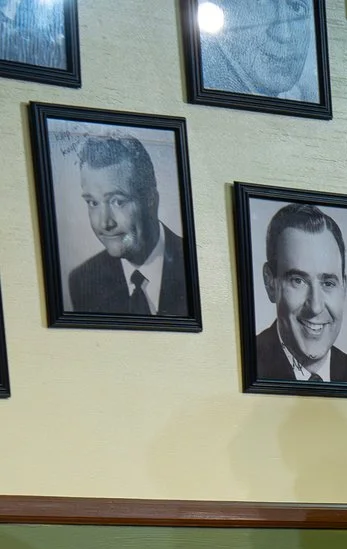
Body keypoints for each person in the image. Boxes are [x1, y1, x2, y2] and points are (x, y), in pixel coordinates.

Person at [63, 134, 190, 319]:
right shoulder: (83, 281)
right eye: (93, 203)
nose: (105, 223)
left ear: (151, 199)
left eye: (118, 201)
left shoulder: (195, 263)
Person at [251, 202, 347, 386]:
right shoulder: (245, 365)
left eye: (328, 283)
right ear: (270, 282)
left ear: (343, 288)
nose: (315, 306)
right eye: (298, 281)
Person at [198, 0, 321, 104]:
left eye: (296, 7)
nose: (284, 34)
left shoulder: (303, 95)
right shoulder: (209, 81)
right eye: (261, 4)